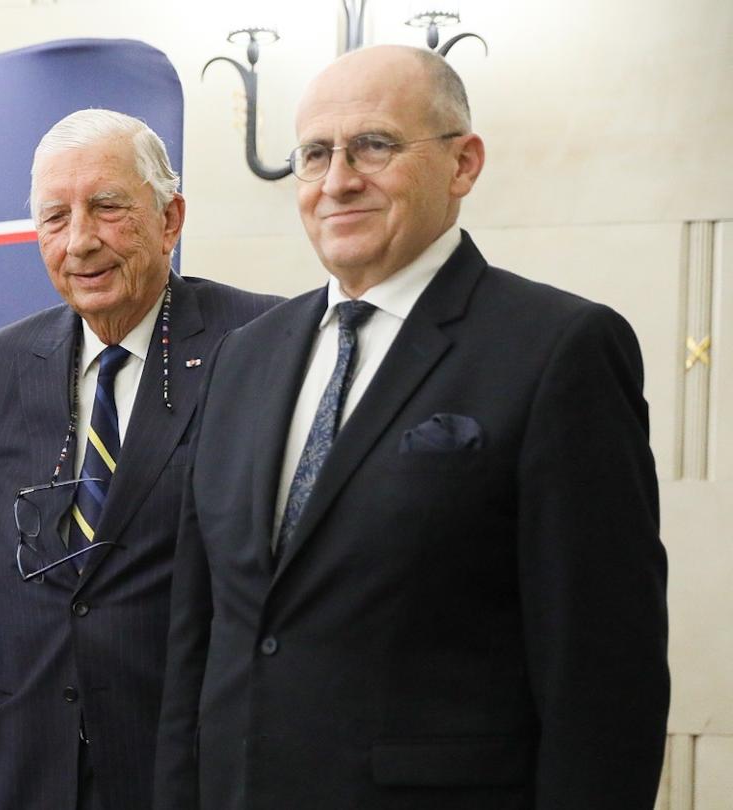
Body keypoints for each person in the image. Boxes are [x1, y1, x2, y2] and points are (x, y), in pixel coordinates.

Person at [155, 45, 668, 810]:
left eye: (375, 145)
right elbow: (200, 635)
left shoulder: (559, 350)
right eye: (315, 154)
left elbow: (602, 680)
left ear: (463, 165)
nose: (338, 181)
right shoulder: (243, 357)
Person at [0, 110, 280, 810]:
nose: (80, 241)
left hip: (185, 765)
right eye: (55, 217)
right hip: (27, 768)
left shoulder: (262, 341)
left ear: (171, 219)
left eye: (107, 208)